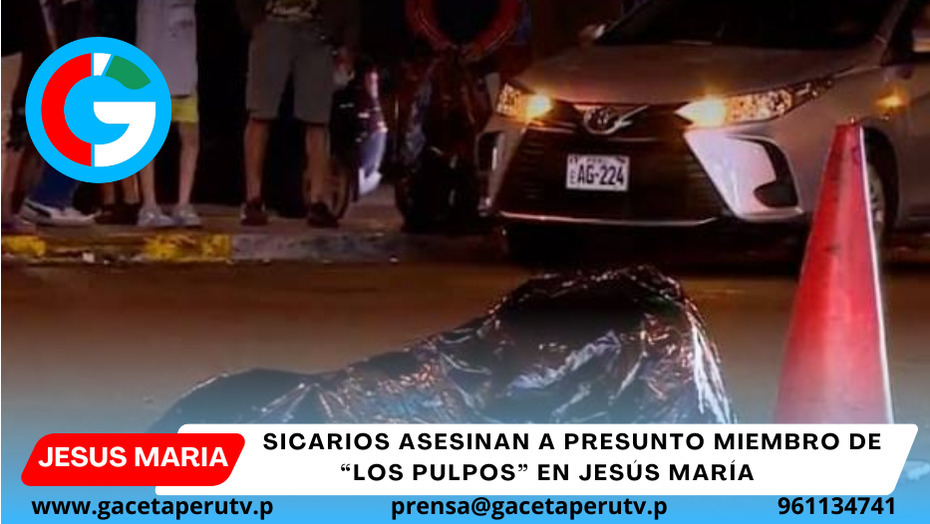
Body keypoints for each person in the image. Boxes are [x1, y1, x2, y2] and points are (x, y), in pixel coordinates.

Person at [237, 0, 359, 227]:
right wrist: (256, 23)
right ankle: (253, 199)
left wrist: (345, 39)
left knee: (317, 118)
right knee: (260, 112)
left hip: (315, 29)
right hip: (272, 23)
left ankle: (318, 201)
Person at [134, 0, 201, 228]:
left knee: (190, 138)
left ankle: (183, 203)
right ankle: (149, 205)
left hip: (184, 71)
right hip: (151, 71)